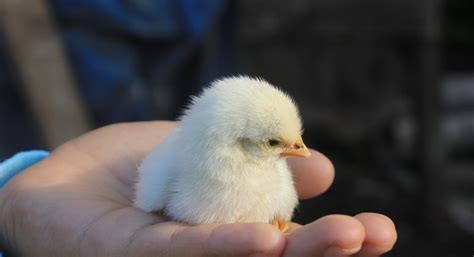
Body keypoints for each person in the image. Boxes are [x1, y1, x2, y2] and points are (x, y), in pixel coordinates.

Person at [0, 121, 397, 256]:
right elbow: (151, 197)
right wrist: (12, 204)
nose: (299, 151)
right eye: (278, 143)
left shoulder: (273, 173)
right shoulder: (175, 164)